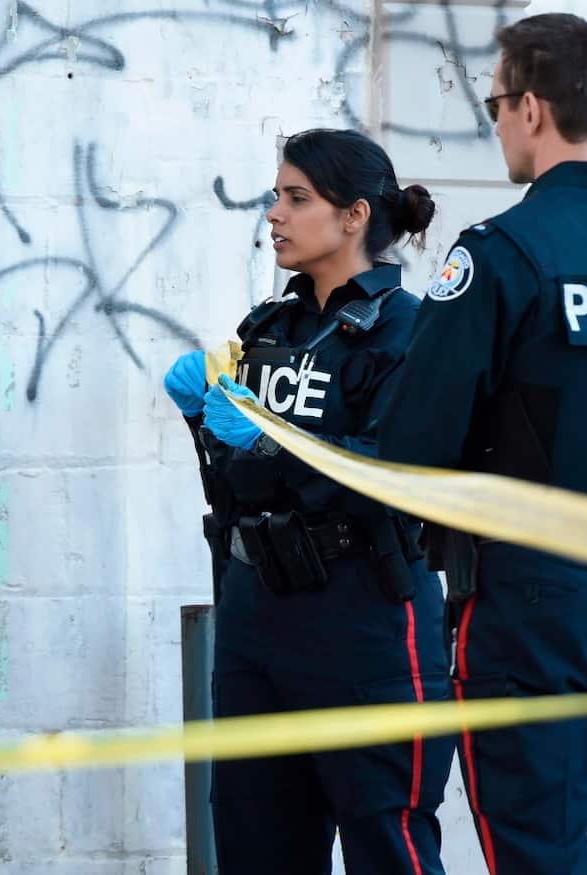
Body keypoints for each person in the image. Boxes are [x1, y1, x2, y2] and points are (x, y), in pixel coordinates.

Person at [377, 14, 587, 875]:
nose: (496, 127)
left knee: (536, 854)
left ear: (530, 109)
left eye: (493, 104)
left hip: (534, 603)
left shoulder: (503, 254)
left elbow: (413, 443)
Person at [163, 128, 455, 875]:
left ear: (355, 216)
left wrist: (271, 441)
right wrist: (205, 419)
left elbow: (395, 474)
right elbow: (235, 484)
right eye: (276, 197)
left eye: (296, 198)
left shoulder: (407, 330)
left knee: (388, 845)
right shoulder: (270, 329)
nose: (274, 215)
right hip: (258, 620)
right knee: (256, 843)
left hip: (364, 621)